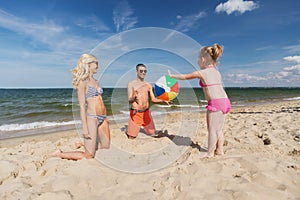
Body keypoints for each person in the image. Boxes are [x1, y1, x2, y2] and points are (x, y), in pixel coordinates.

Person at [168, 44, 231, 158]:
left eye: (198, 58)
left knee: (212, 130)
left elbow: (186, 76)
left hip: (215, 103)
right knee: (219, 129)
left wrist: (172, 76)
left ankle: (210, 153)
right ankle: (219, 150)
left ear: (203, 59)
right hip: (225, 101)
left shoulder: (202, 72)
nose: (197, 61)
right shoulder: (217, 72)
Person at [51, 54, 110, 160]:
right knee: (89, 155)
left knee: (106, 146)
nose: (98, 65)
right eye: (96, 63)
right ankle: (60, 153)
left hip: (103, 117)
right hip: (92, 118)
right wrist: (84, 127)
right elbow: (82, 106)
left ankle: (83, 144)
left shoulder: (96, 81)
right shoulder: (82, 82)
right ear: (88, 64)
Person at [126, 63, 169, 139]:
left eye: (145, 71)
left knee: (152, 134)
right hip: (136, 113)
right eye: (141, 71)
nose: (143, 73)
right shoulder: (131, 84)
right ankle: (130, 130)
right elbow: (129, 100)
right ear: (137, 71)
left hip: (146, 112)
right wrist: (134, 98)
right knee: (131, 137)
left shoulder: (148, 85)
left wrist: (163, 100)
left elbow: (153, 99)